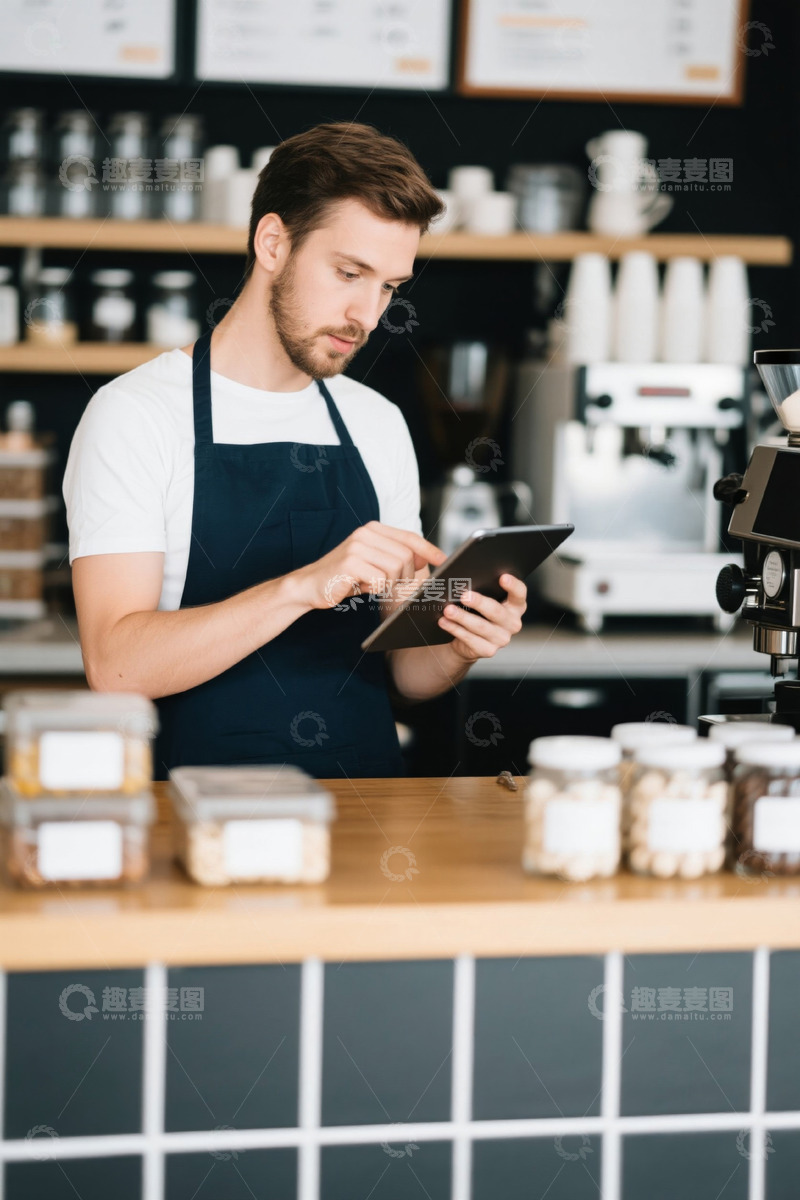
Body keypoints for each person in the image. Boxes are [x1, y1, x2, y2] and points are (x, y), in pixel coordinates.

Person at [63, 122, 527, 779]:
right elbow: (114, 665)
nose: (367, 314)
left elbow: (409, 671)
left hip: (363, 816)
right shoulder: (137, 415)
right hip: (195, 818)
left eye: (390, 286)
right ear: (273, 242)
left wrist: (461, 647)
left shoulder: (377, 423)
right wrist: (304, 587)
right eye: (348, 273)